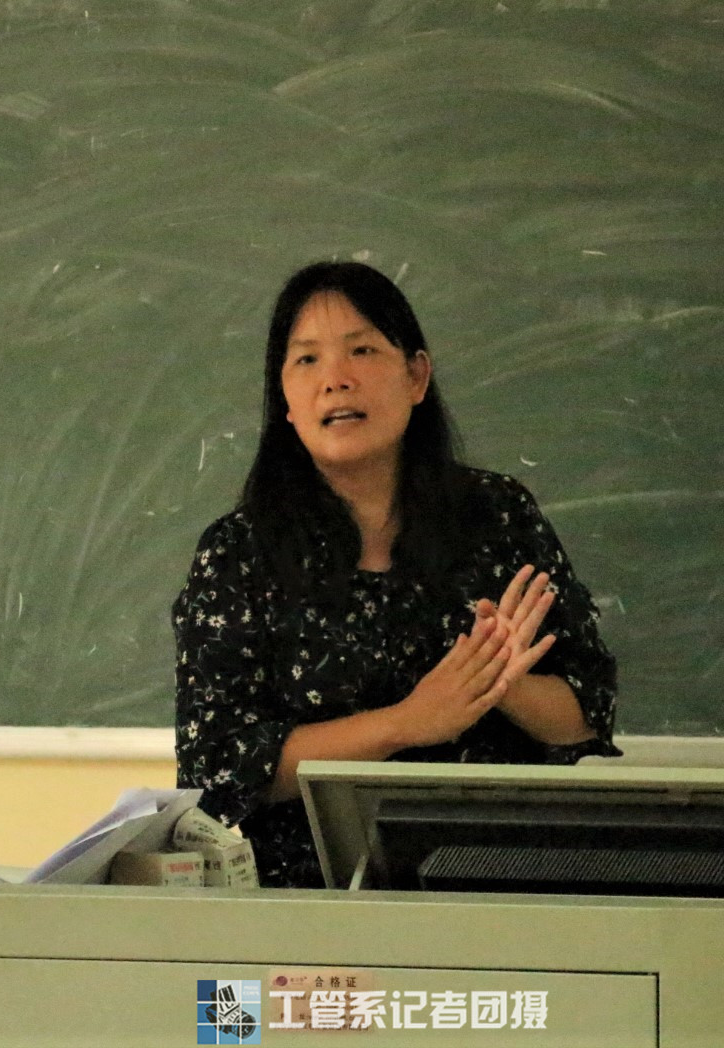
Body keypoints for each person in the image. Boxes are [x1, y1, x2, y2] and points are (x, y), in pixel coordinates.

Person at [173, 261, 618, 887]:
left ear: (416, 376)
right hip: (312, 901)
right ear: (286, 403)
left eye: (362, 351)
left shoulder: (498, 517)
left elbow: (586, 719)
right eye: (307, 360)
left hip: (501, 883)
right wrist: (406, 723)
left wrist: (500, 682)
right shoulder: (239, 553)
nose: (336, 380)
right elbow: (216, 767)